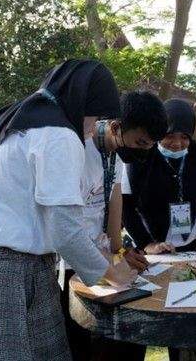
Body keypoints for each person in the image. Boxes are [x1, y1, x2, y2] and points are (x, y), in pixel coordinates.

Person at [0, 60, 137, 360]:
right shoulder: (59, 135)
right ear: (83, 103)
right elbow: (66, 232)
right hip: (7, 273)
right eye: (96, 116)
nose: (92, 129)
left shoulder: (10, 122)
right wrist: (114, 275)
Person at [61, 89, 168, 360]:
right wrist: (110, 266)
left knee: (117, 342)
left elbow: (114, 202)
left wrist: (121, 252)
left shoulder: (115, 155)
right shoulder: (79, 149)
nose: (144, 151)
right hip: (72, 262)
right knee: (79, 342)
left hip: (101, 258)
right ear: (117, 127)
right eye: (140, 143)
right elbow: (68, 227)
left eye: (150, 146)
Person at [122, 98, 196, 258]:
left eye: (184, 137)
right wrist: (147, 243)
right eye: (170, 135)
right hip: (148, 247)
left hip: (192, 246)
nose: (177, 143)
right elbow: (125, 205)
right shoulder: (139, 155)